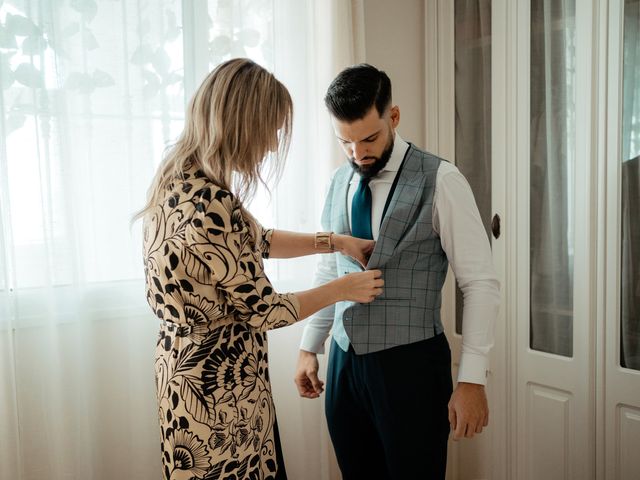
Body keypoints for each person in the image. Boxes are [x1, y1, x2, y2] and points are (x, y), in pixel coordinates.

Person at [137, 58, 384, 480]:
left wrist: (335, 241)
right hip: (219, 393)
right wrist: (345, 287)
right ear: (243, 124)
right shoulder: (210, 202)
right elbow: (265, 311)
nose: (271, 145)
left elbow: (257, 239)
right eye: (270, 130)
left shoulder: (177, 179)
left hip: (183, 378)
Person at [294, 63, 501, 479]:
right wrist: (309, 346)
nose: (358, 153)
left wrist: (472, 379)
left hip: (410, 367)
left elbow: (479, 283)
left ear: (394, 117)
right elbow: (328, 271)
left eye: (369, 138)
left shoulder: (442, 179)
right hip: (344, 363)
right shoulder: (339, 181)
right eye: (345, 142)